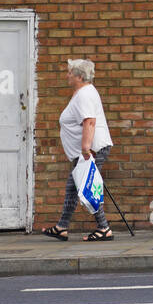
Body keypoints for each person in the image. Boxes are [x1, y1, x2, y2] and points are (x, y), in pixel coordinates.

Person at [43, 58, 115, 241]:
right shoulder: (81, 92)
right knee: (73, 187)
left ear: (80, 76)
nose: (67, 76)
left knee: (89, 186)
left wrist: (85, 148)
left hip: (92, 149)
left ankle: (104, 228)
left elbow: (89, 121)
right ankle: (62, 227)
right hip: (86, 150)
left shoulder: (85, 94)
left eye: (70, 73)